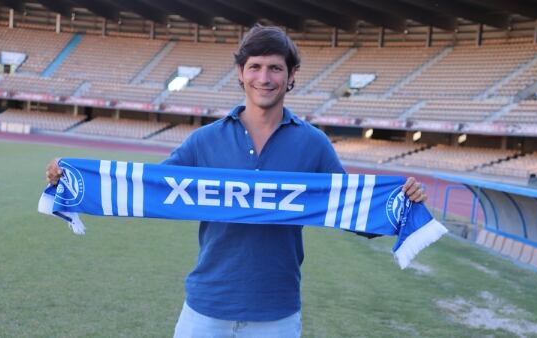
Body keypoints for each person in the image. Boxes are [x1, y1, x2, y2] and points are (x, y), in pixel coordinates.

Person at [46, 25, 426, 337]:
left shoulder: (313, 143)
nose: (265, 78)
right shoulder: (205, 140)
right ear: (241, 73)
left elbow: (352, 211)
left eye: (275, 68)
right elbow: (147, 188)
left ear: (291, 76)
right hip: (205, 307)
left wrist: (401, 202)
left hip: (276, 314)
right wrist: (73, 183)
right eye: (256, 67)